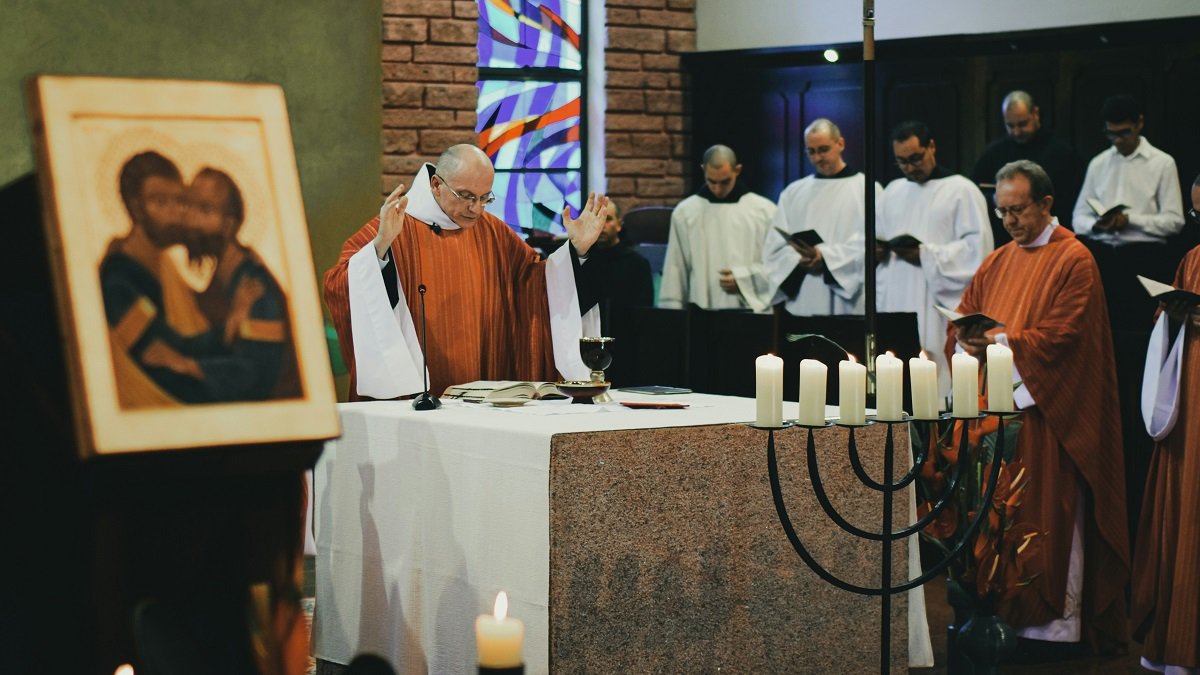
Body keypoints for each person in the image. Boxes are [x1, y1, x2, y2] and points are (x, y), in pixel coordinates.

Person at [950, 160, 1129, 655]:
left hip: (1049, 415)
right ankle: (999, 615)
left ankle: (1052, 630)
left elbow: (1067, 338)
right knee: (997, 516)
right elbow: (966, 315)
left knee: (1045, 513)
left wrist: (1001, 342)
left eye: (1017, 209)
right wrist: (965, 338)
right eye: (1000, 210)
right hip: (996, 414)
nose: (1008, 221)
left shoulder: (1075, 259)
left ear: (1046, 204)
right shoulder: (998, 260)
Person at [323, 144, 606, 400]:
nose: (475, 209)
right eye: (467, 196)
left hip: (484, 393)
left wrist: (575, 252)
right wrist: (381, 249)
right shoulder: (395, 226)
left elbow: (533, 283)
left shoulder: (492, 231)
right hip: (416, 402)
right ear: (436, 184)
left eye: (485, 198)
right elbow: (339, 284)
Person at [1072, 93, 1185, 541]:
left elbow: (1175, 220)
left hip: (1146, 259)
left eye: (1124, 132)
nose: (1118, 140)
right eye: (1111, 134)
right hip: (1108, 260)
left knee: (1140, 348)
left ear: (1139, 123)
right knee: (1108, 346)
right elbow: (1079, 215)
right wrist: (1102, 225)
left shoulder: (1161, 162)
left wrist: (1130, 220)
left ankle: (1142, 423)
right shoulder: (1100, 163)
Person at [1131, 174, 1200, 675]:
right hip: (1190, 401)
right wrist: (1172, 315)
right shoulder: (1193, 259)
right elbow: (1170, 329)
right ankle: (1179, 640)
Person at [878, 121, 993, 400]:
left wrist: (926, 254)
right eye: (902, 162)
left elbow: (979, 250)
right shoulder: (892, 191)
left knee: (935, 385)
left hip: (938, 302)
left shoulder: (961, 190)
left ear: (932, 147)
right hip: (896, 296)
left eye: (915, 158)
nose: (910, 167)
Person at [183, 167, 302, 400]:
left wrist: (192, 367)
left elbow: (259, 372)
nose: (192, 221)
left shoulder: (256, 286)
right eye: (190, 207)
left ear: (230, 222)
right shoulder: (220, 279)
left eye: (205, 209)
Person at [763, 118, 879, 315]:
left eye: (823, 149)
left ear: (840, 144)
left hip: (850, 304)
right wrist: (800, 259)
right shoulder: (793, 193)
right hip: (804, 298)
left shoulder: (867, 189)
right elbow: (774, 249)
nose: (817, 158)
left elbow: (873, 245)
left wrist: (825, 257)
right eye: (811, 151)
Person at [658, 144, 777, 312]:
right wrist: (671, 311)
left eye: (725, 181)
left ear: (738, 170)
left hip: (750, 311)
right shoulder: (686, 212)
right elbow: (676, 266)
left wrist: (743, 279)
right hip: (700, 311)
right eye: (711, 181)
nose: (718, 189)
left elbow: (778, 266)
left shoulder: (764, 211)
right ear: (703, 170)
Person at [970, 90, 1085, 245]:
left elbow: (1072, 203)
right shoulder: (992, 154)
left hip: (1049, 239)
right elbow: (977, 194)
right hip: (1004, 239)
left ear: (1035, 113)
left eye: (1023, 124)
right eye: (1010, 125)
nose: (1016, 132)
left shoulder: (1062, 153)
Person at [581, 199, 654, 333]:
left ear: (619, 225)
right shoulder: (583, 262)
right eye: (597, 219)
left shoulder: (637, 264)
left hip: (626, 337)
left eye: (607, 219)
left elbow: (644, 313)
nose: (602, 225)